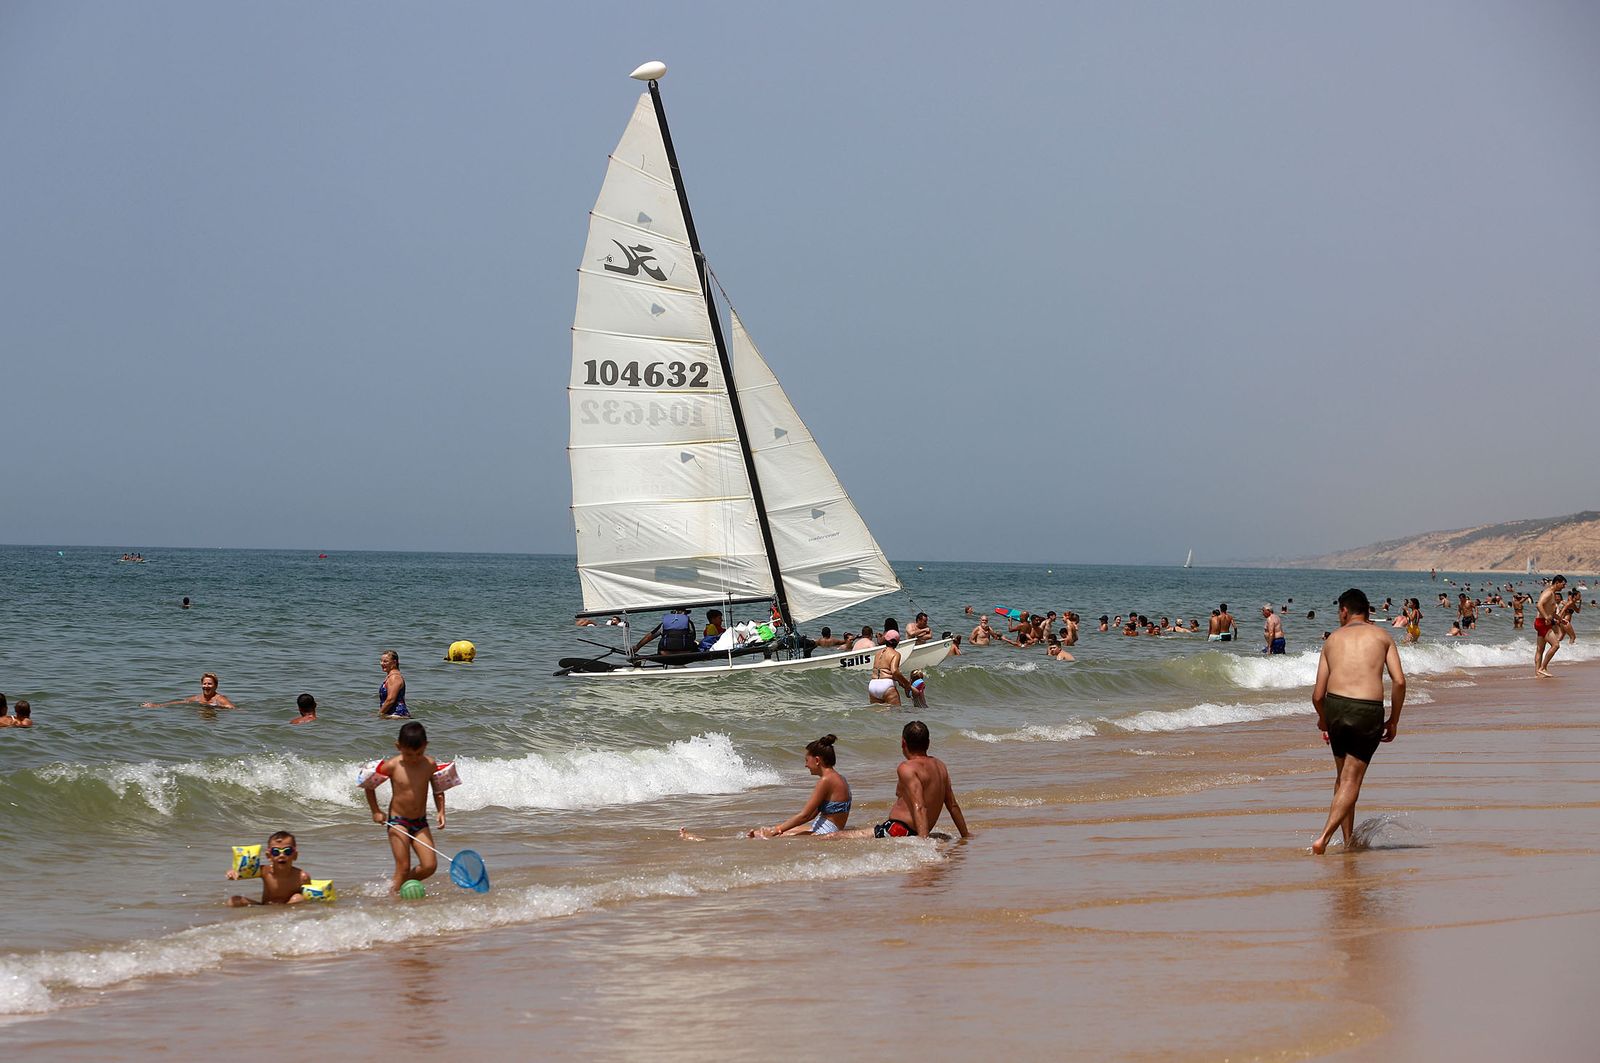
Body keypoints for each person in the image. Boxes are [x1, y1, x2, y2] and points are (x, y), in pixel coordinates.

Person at [1311, 588, 1405, 855]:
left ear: (1344, 611)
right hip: (1366, 709)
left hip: (1335, 707)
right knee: (1352, 780)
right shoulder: (1382, 636)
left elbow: (1317, 695)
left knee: (1343, 779)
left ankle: (1349, 841)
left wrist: (1324, 720)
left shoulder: (1332, 640)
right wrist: (1394, 720)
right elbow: (1399, 681)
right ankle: (1324, 838)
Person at [839, 721, 969, 840]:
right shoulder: (940, 766)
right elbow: (952, 805)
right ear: (928, 743)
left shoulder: (907, 768)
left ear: (903, 743)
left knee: (836, 836)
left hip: (898, 829)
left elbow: (919, 806)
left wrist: (924, 843)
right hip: (917, 830)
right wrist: (965, 835)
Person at [364, 721, 446, 894]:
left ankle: (397, 888)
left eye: (419, 753)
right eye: (409, 754)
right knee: (403, 867)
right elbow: (369, 786)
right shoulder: (392, 765)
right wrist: (376, 811)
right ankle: (393, 897)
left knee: (430, 866)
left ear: (426, 746)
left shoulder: (429, 764)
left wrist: (441, 811)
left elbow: (438, 789)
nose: (414, 758)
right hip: (398, 822)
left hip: (420, 823)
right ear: (398, 747)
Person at [226, 830, 312, 906]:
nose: (281, 855)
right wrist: (233, 872)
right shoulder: (265, 871)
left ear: (295, 855)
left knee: (298, 898)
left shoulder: (302, 877)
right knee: (233, 900)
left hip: (287, 909)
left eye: (287, 851)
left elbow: (309, 898)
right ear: (268, 856)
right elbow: (243, 872)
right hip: (265, 907)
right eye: (275, 852)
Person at [143, 672, 237, 710]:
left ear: (216, 686)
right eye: (204, 683)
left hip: (214, 717)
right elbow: (181, 702)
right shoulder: (198, 698)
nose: (206, 686)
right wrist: (158, 705)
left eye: (209, 684)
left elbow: (233, 709)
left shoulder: (220, 699)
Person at [1534, 576, 1567, 677]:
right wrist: (1546, 617)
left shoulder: (1552, 594)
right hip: (1542, 622)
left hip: (1541, 622)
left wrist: (1561, 620)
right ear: (1557, 583)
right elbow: (1539, 605)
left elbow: (1551, 613)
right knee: (1556, 645)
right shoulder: (1548, 592)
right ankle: (1542, 668)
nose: (1564, 587)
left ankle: (1537, 673)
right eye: (1563, 584)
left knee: (1540, 649)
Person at [868, 631, 912, 706]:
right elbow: (894, 671)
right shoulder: (895, 654)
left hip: (873, 684)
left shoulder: (878, 653)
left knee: (878, 712)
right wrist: (906, 683)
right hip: (886, 684)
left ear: (886, 640)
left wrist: (899, 681)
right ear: (897, 642)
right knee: (896, 711)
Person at [632, 609, 696, 655]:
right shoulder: (689, 623)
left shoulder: (664, 624)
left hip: (665, 653)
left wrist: (637, 647)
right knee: (695, 644)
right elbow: (693, 637)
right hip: (685, 653)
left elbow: (649, 637)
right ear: (684, 613)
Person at [378, 650, 409, 718]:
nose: (382, 663)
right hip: (392, 715)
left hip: (397, 715)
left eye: (385, 661)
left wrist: (379, 714)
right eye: (381, 661)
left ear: (394, 662)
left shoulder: (394, 677)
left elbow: (390, 700)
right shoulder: (391, 676)